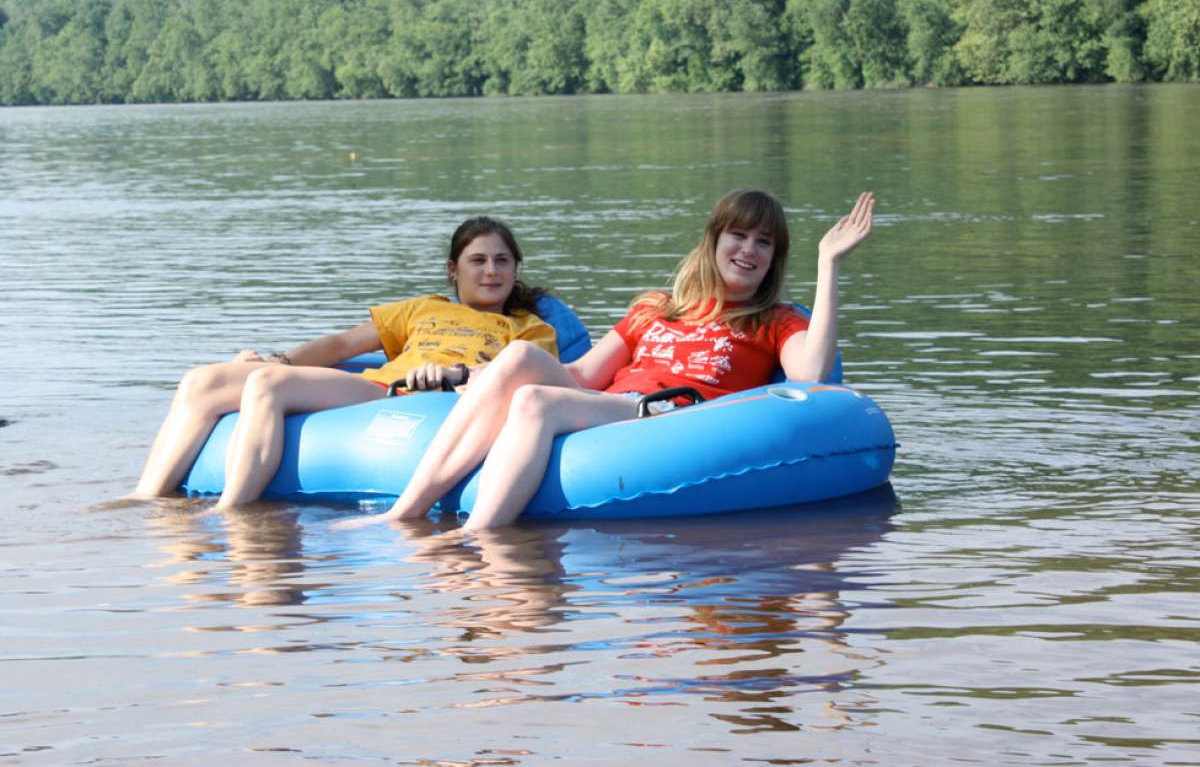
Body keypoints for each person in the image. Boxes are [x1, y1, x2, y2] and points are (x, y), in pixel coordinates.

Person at [355, 189, 875, 531]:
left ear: (774, 258)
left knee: (536, 401)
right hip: (608, 403)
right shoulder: (655, 308)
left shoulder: (773, 319)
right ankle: (406, 513)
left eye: (764, 243)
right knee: (518, 357)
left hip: (666, 413)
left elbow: (810, 373)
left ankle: (479, 538)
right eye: (738, 235)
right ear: (714, 242)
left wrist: (828, 265)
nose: (749, 250)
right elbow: (582, 374)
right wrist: (482, 380)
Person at [131, 217, 558, 509]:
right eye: (478, 261)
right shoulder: (423, 309)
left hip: (431, 398)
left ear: (515, 269)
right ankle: (147, 497)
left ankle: (233, 512)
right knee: (202, 381)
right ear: (453, 269)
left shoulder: (528, 329)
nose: (491, 272)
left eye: (502, 261)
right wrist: (276, 359)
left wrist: (458, 376)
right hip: (378, 387)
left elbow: (528, 379)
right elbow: (341, 345)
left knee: (267, 386)